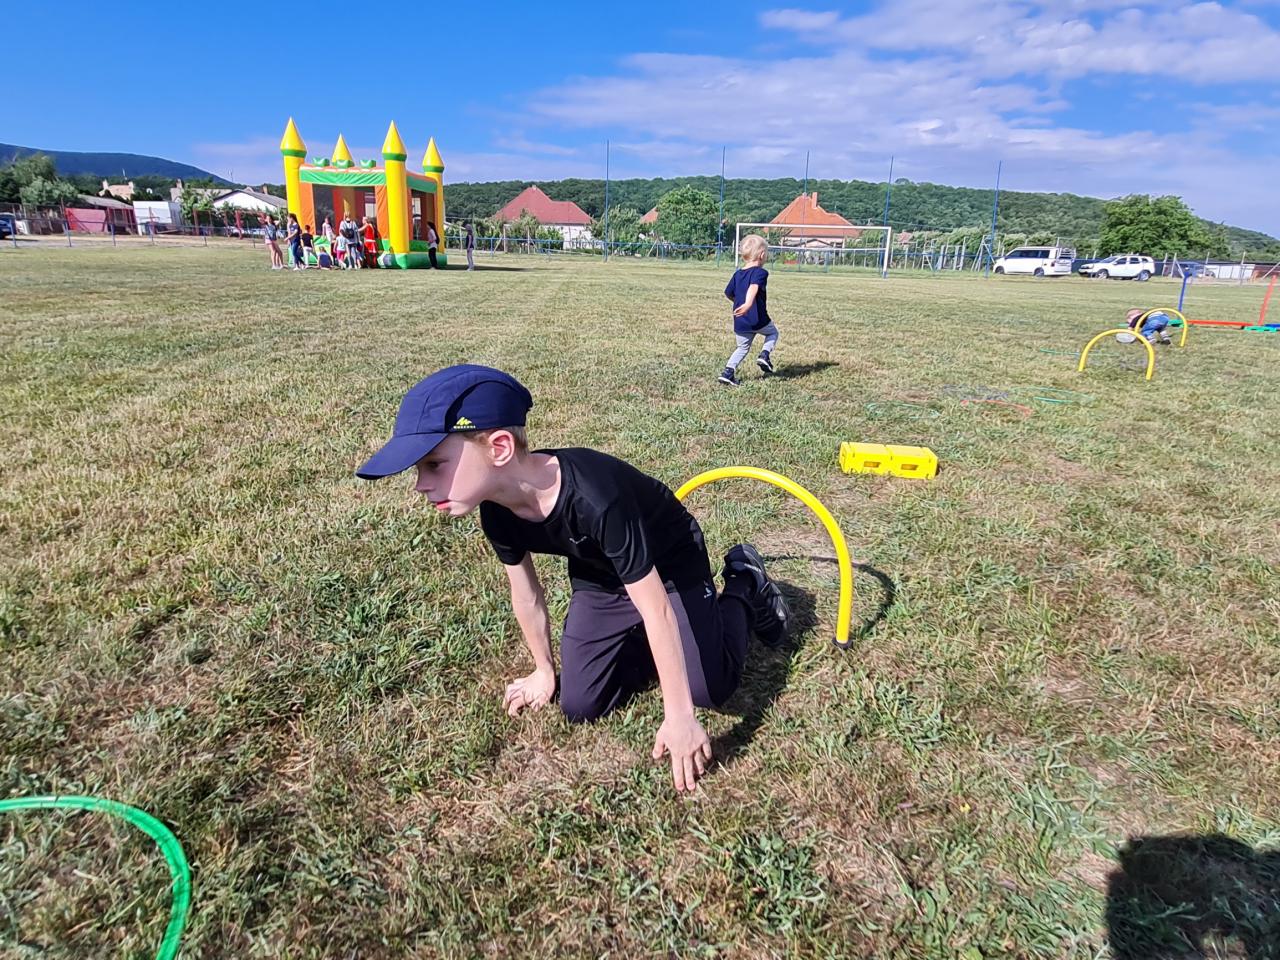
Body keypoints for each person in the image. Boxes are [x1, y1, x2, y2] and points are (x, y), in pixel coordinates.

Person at [354, 365, 793, 794]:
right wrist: (544, 670)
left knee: (707, 689)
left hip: (669, 567)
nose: (421, 484)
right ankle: (664, 641)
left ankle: (743, 584)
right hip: (601, 575)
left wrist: (678, 715)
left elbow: (656, 607)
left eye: (434, 465)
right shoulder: (496, 512)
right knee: (581, 704)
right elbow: (526, 594)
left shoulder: (595, 498)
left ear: (500, 447)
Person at [719, 234, 779, 385]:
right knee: (773, 333)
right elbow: (753, 287)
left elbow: (728, 293)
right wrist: (747, 304)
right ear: (762, 255)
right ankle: (764, 355)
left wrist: (738, 303)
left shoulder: (737, 274)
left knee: (742, 348)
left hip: (741, 321)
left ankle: (728, 372)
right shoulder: (760, 272)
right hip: (757, 318)